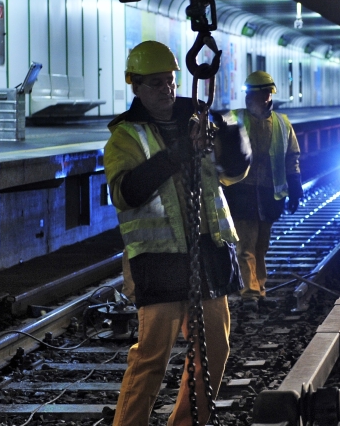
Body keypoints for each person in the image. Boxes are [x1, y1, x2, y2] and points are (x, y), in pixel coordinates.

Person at [104, 40, 251, 426]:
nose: (166, 90)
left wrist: (234, 136)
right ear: (134, 86)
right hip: (159, 261)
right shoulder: (126, 136)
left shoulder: (200, 120)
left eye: (169, 81)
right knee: (151, 359)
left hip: (208, 255)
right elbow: (125, 193)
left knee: (214, 351)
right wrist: (173, 157)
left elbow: (233, 172)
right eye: (154, 84)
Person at [224, 71, 303, 313]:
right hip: (242, 192)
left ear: (269, 96)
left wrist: (295, 187)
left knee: (261, 246)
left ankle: (259, 290)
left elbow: (292, 158)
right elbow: (220, 157)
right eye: (251, 94)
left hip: (269, 195)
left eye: (259, 94)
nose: (254, 98)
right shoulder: (232, 120)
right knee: (246, 245)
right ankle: (249, 293)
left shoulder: (281, 123)